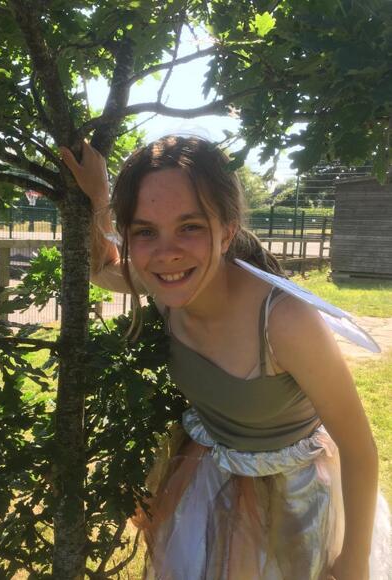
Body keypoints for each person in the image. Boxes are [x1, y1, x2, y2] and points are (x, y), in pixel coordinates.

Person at [60, 136, 390, 580]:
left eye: (190, 227)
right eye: (146, 231)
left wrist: (353, 564)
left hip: (295, 503)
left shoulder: (284, 321)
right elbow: (103, 270)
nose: (166, 253)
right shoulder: (166, 287)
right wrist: (100, 196)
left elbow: (359, 448)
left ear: (228, 230)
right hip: (209, 480)